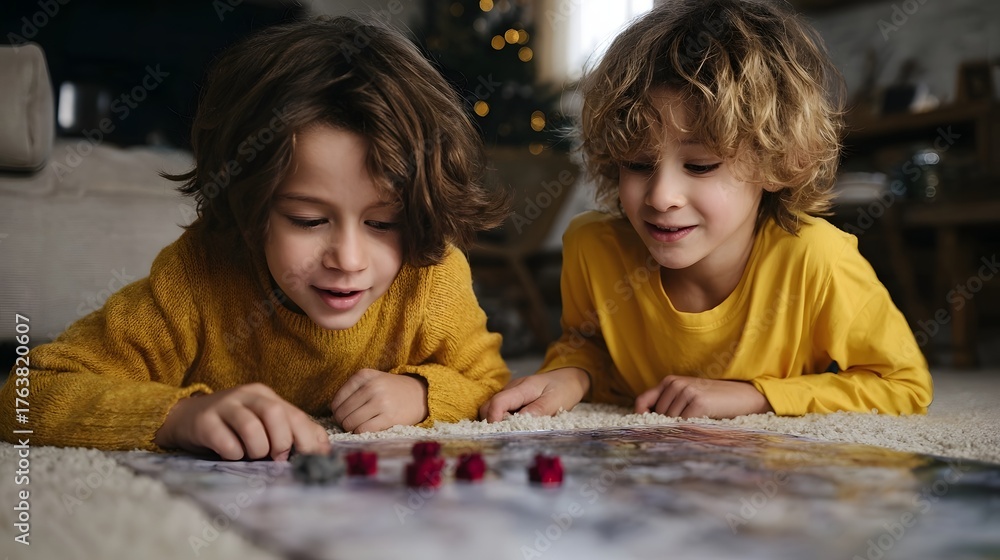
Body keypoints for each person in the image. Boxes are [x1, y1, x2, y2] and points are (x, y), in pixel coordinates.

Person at [1, 16, 511, 460]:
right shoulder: (197, 277)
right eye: (309, 220)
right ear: (248, 207)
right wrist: (181, 416)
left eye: (382, 224)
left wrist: (421, 394)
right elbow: (26, 397)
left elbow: (492, 387)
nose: (349, 260)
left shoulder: (432, 276)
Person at [481, 0, 932, 422]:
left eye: (700, 165)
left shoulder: (818, 261)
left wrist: (757, 395)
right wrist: (570, 376)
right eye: (638, 164)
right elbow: (586, 346)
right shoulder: (591, 247)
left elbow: (904, 385)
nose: (661, 196)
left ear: (779, 162)